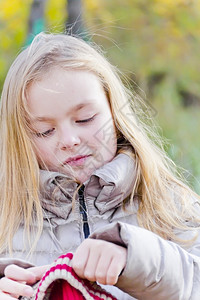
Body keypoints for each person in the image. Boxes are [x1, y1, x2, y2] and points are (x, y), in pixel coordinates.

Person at [0, 32, 199, 300]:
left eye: (85, 119)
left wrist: (137, 259)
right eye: (45, 131)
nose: (70, 140)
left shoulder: (170, 204)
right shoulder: (7, 219)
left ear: (115, 114)